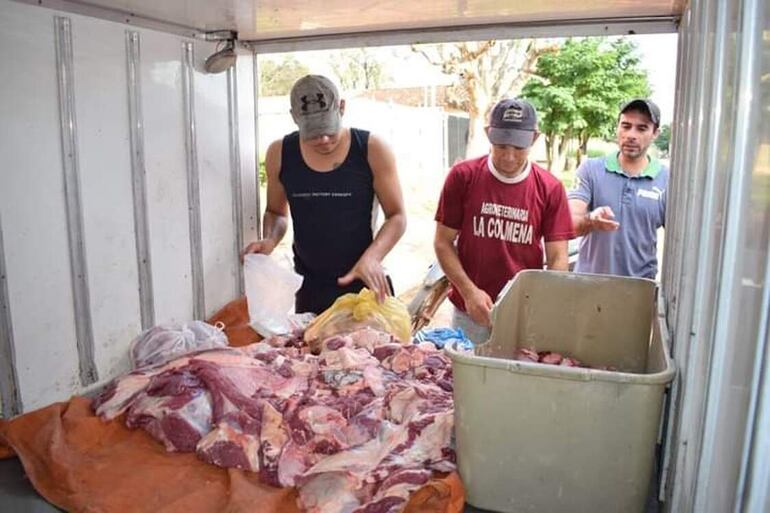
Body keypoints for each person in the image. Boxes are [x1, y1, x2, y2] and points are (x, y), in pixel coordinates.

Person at [242, 75, 406, 314]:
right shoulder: (280, 153)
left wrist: (373, 257)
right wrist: (270, 240)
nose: (324, 139)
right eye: (313, 133)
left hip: (364, 286)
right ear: (294, 117)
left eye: (328, 129)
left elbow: (397, 216)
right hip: (309, 288)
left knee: (369, 350)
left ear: (342, 107)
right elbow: (276, 212)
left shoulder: (371, 148)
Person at [434, 98, 574, 344]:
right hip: (470, 310)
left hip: (522, 311)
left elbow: (557, 258)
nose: (509, 157)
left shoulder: (550, 188)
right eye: (501, 146)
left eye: (519, 148)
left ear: (534, 138)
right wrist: (469, 292)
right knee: (465, 378)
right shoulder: (463, 177)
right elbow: (443, 242)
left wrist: (546, 301)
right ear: (489, 134)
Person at [568, 98, 668, 279]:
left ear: (655, 133)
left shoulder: (667, 180)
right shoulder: (591, 169)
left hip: (638, 291)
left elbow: (683, 241)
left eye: (642, 128)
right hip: (587, 287)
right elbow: (569, 225)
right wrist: (591, 220)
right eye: (626, 126)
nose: (631, 135)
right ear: (617, 127)